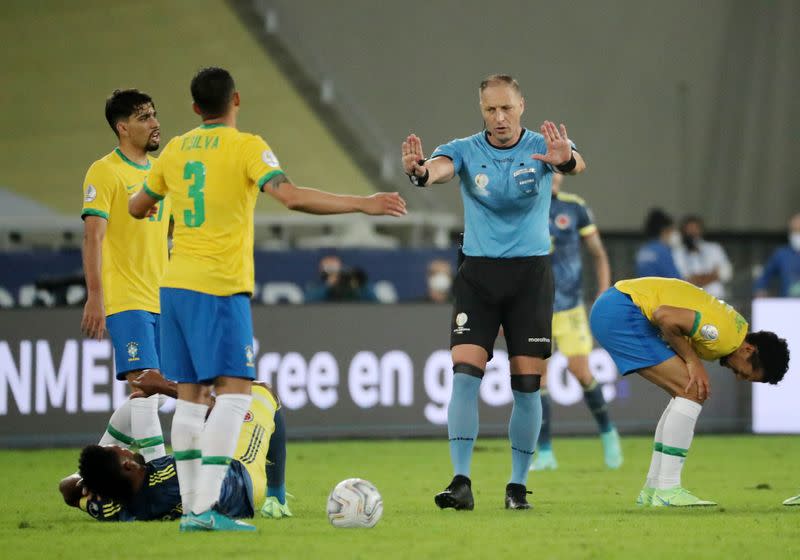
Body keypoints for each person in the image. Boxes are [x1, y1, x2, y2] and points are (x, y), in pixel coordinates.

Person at [129, 67, 405, 531]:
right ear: (236, 99)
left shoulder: (174, 149)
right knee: (236, 395)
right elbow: (291, 197)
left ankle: (195, 511)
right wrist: (364, 202)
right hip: (218, 285)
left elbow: (139, 205)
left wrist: (160, 202)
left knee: (192, 399)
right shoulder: (247, 146)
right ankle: (205, 510)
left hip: (174, 285)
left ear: (195, 108)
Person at [402, 73, 586, 510]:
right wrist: (421, 172)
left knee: (527, 385)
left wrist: (564, 162)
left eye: (506, 108)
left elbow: (575, 164)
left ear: (521, 106)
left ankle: (517, 487)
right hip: (479, 277)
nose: (499, 117)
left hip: (530, 278)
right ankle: (460, 482)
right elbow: (438, 171)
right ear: (481, 110)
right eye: (490, 109)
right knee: (465, 375)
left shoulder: (543, 145)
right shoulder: (464, 149)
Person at [589, 277, 789, 507]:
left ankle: (653, 489)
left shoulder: (735, 328)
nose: (738, 376)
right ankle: (668, 489)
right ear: (748, 349)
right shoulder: (723, 337)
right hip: (621, 312)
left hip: (615, 305)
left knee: (685, 392)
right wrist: (693, 362)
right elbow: (664, 316)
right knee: (693, 390)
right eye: (746, 373)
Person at [80, 89, 171, 465]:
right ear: (123, 127)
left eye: (154, 114)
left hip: (162, 296)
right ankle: (161, 473)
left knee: (154, 393)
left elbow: (170, 231)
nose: (155, 123)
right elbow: (93, 236)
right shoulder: (105, 171)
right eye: (144, 117)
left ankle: (90, 472)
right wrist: (96, 296)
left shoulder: (160, 172)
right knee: (148, 387)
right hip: (126, 296)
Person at [59, 378, 290, 522]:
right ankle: (276, 498)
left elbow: (66, 489)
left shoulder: (113, 507)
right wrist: (163, 386)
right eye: (122, 451)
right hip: (241, 476)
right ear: (128, 465)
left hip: (212, 460)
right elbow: (216, 408)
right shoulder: (172, 476)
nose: (129, 449)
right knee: (261, 392)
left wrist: (88, 480)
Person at [532, 173, 621, 471]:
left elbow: (598, 254)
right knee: (538, 379)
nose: (555, 176)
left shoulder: (575, 208)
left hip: (570, 307)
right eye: (550, 170)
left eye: (559, 170)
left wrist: (604, 292)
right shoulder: (525, 204)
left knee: (580, 371)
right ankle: (545, 453)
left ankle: (608, 433)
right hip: (536, 308)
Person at [673, 215, 733, 299]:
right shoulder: (677, 252)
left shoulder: (714, 248)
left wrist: (697, 279)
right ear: (683, 231)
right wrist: (713, 275)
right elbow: (684, 280)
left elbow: (726, 273)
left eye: (695, 229)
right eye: (689, 230)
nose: (693, 233)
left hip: (716, 298)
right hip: (689, 300)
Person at [754, 213, 800, 298]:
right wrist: (760, 289)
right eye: (794, 231)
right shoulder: (782, 254)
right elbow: (765, 275)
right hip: (787, 303)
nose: (797, 235)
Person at [635, 208, 682, 279]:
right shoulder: (662, 251)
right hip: (660, 289)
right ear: (665, 231)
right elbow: (675, 279)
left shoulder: (643, 250)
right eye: (672, 230)